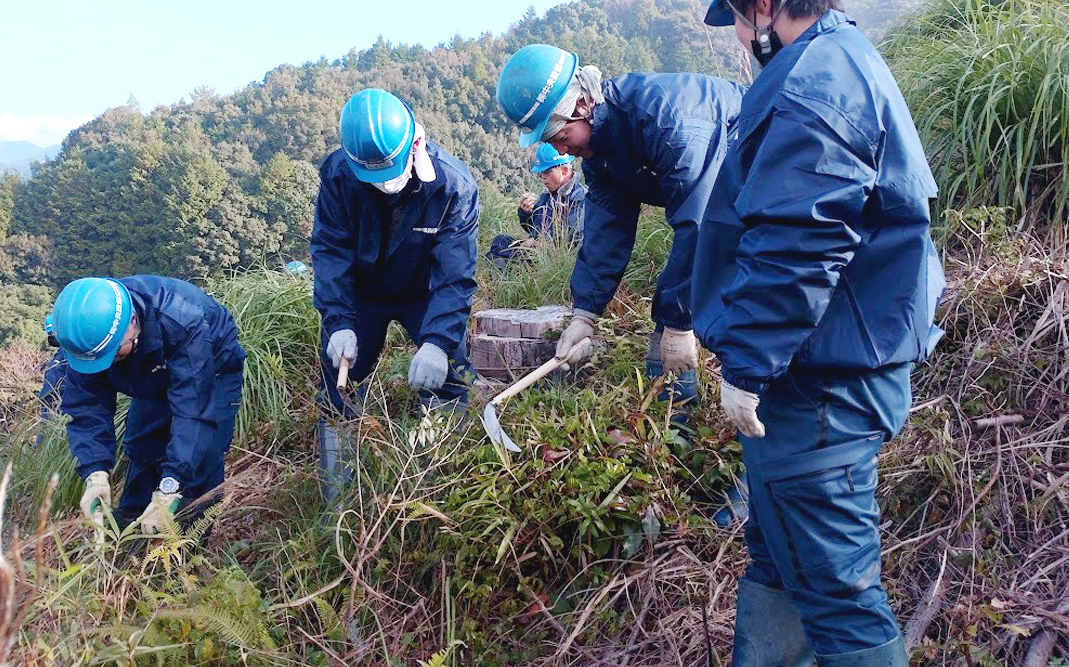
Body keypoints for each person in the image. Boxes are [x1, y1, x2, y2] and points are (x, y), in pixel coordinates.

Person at [693, 0, 944, 667]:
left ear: (760, 5)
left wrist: (745, 366)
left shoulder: (813, 83)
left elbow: (799, 242)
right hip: (810, 379)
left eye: (738, 20)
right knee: (779, 563)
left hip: (817, 392)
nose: (741, 42)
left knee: (838, 599)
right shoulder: (834, 64)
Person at [495, 44, 744, 408]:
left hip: (766, 195)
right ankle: (676, 441)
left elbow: (700, 224)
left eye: (560, 138)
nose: (561, 151)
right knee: (663, 358)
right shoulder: (602, 154)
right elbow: (606, 232)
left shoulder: (669, 119)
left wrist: (678, 320)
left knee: (745, 326)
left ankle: (754, 428)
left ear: (583, 106)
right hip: (720, 214)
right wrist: (586, 312)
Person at [311, 89, 482, 494]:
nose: (384, 184)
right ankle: (340, 494)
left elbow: (455, 275)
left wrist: (438, 341)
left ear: (415, 144)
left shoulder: (452, 186)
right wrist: (338, 321)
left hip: (425, 293)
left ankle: (444, 480)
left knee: (451, 377)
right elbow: (330, 250)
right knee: (339, 381)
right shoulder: (339, 175)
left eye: (389, 172)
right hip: (361, 296)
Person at [51, 275, 246, 534]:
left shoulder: (181, 320)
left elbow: (193, 412)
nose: (106, 365)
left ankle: (187, 549)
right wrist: (94, 472)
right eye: (97, 360)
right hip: (147, 365)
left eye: (113, 353)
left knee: (201, 456)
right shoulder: (83, 338)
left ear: (132, 322)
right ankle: (129, 536)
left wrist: (171, 485)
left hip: (211, 368)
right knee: (143, 446)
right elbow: (87, 408)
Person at [486, 143, 586, 266]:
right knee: (500, 240)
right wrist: (526, 212)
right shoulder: (548, 195)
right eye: (541, 173)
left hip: (553, 259)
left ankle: (504, 270)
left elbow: (574, 242)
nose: (543, 177)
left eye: (548, 172)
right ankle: (504, 269)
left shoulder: (580, 199)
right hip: (534, 249)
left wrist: (541, 245)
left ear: (564, 171)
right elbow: (532, 228)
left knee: (499, 260)